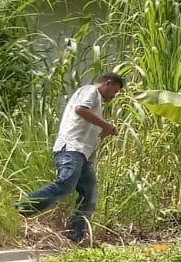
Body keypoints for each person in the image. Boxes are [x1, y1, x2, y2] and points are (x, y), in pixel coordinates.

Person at [19, 72, 126, 242]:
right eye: (116, 91)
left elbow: (89, 131)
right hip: (71, 149)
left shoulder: (97, 103)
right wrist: (106, 124)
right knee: (66, 183)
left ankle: (75, 237)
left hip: (83, 155)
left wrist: (104, 131)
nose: (114, 95)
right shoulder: (90, 91)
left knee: (89, 195)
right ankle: (19, 208)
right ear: (108, 83)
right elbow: (80, 110)